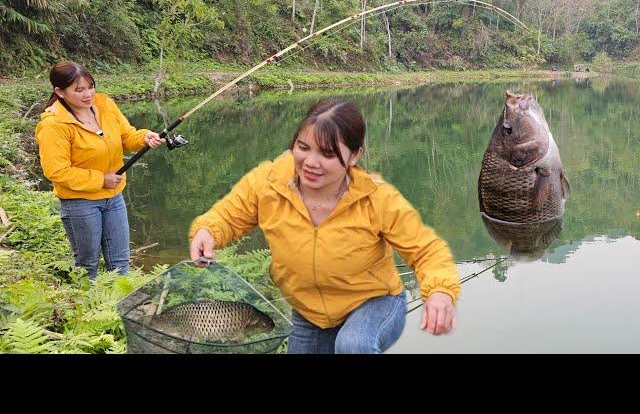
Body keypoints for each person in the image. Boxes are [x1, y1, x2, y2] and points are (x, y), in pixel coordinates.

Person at [189, 99, 461, 354]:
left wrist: (439, 291)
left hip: (375, 303)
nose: (310, 163)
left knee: (352, 345)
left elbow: (426, 250)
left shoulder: (378, 199)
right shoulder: (269, 182)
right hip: (309, 314)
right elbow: (229, 214)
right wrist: (207, 231)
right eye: (303, 147)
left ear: (354, 155)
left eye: (328, 154)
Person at [35, 60, 165, 279]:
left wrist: (143, 137)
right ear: (60, 92)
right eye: (79, 90)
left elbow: (126, 136)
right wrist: (100, 180)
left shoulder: (105, 105)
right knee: (88, 266)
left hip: (114, 198)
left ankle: (119, 309)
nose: (88, 94)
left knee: (120, 264)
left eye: (90, 87)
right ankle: (90, 310)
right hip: (80, 203)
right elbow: (56, 171)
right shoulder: (53, 125)